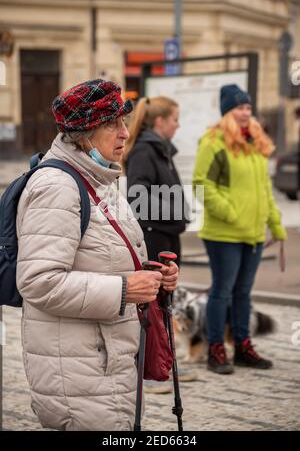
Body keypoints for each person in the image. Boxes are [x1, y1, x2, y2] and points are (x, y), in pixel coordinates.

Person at [16, 79, 179, 430]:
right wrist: (125, 289)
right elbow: (38, 282)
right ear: (83, 134)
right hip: (79, 373)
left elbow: (105, 257)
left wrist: (153, 277)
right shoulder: (56, 188)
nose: (124, 133)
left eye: (122, 122)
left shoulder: (101, 180)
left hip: (106, 363)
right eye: (112, 125)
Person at [192, 84, 287, 375]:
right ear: (227, 112)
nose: (245, 113)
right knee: (222, 291)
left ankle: (243, 346)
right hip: (224, 233)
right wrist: (230, 212)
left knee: (244, 293)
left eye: (247, 107)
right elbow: (200, 183)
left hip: (254, 234)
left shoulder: (255, 142)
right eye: (239, 108)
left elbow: (264, 190)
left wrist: (275, 223)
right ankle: (216, 349)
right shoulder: (213, 142)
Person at [123, 96, 188, 267]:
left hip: (167, 233)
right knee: (158, 292)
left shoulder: (161, 149)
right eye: (175, 119)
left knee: (167, 291)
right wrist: (176, 213)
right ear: (160, 121)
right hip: (155, 237)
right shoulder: (144, 150)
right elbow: (138, 196)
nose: (178, 125)